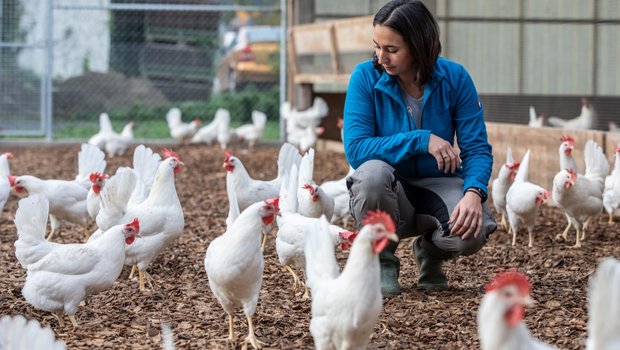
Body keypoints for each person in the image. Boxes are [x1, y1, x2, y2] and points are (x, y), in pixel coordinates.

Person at [343, 0, 496, 296]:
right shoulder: (365, 77)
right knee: (371, 177)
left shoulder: (455, 78)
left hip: (436, 184)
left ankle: (430, 251)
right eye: (377, 46)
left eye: (391, 49)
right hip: (388, 186)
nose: (380, 57)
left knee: (473, 230)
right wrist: (421, 139)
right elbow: (357, 149)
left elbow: (476, 147)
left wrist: (474, 192)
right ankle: (383, 260)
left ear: (419, 46)